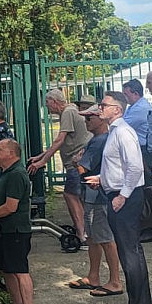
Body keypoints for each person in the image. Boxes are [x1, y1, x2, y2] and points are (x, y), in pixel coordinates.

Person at [85, 92, 152, 304]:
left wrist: (122, 196)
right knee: (129, 254)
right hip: (116, 192)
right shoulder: (116, 132)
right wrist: (103, 178)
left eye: (104, 105)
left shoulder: (123, 132)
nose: (100, 108)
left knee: (130, 254)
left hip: (125, 198)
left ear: (118, 109)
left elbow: (135, 168)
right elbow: (119, 168)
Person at [68, 105, 122, 296]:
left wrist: (76, 161)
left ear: (100, 119)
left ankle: (115, 281)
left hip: (99, 197)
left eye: (90, 118)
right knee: (93, 238)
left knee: (105, 238)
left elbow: (82, 167)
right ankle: (94, 276)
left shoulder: (99, 141)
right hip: (92, 196)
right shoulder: (97, 139)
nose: (86, 121)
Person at [28, 89, 91, 243]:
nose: (47, 107)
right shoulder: (70, 111)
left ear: (55, 102)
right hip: (80, 160)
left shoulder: (68, 112)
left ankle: (82, 234)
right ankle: (84, 231)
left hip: (76, 162)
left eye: (48, 103)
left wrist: (43, 162)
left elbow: (60, 139)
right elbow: (60, 142)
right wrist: (41, 156)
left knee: (71, 196)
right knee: (79, 197)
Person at [0, 139, 38, 304]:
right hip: (3, 229)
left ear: (11, 153)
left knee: (20, 270)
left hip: (16, 229)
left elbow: (11, 206)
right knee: (7, 270)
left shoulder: (17, 174)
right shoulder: (3, 172)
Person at [122, 79, 150, 185]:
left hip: (142, 149)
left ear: (136, 94)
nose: (125, 97)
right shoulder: (133, 107)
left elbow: (122, 125)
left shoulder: (140, 109)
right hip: (138, 148)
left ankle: (149, 201)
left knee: (143, 181)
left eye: (126, 94)